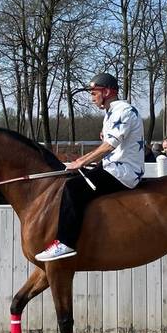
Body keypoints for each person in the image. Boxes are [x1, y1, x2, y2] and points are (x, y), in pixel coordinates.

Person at [35, 73, 144, 262]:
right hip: (114, 168)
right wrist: (79, 163)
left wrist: (81, 162)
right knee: (69, 180)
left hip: (122, 173)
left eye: (94, 93)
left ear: (107, 92)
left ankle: (65, 242)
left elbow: (109, 146)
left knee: (72, 188)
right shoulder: (111, 112)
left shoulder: (123, 111)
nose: (92, 97)